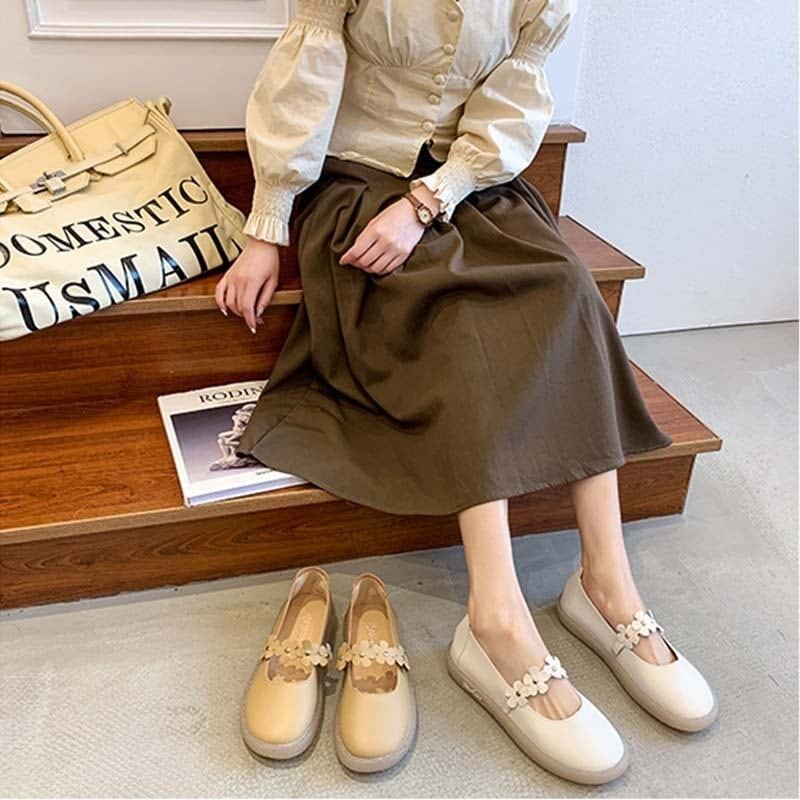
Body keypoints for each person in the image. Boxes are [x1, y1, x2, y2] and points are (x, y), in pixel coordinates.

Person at [215, 0, 717, 783]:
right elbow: (305, 72)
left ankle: (607, 583)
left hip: (471, 186)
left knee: (568, 288)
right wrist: (265, 227)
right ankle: (496, 619)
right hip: (359, 188)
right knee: (460, 327)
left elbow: (515, 94)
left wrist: (432, 199)